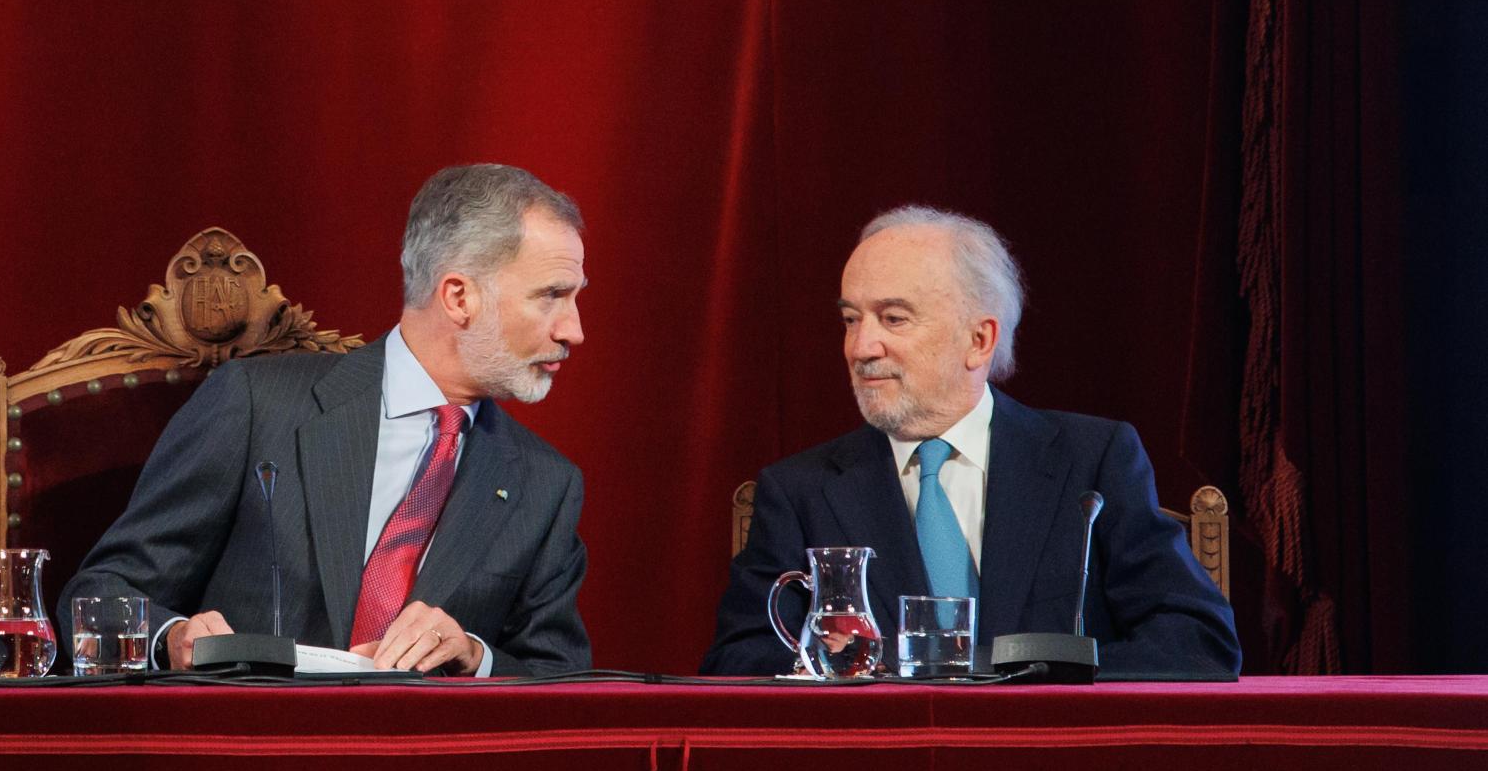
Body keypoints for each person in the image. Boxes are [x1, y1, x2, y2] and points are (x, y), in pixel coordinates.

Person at [60, 164, 591, 676]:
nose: (574, 330)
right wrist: (173, 639)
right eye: (552, 296)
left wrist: (475, 656)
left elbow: (560, 680)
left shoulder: (545, 484)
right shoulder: (256, 405)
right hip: (251, 750)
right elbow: (100, 594)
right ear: (459, 297)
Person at [701, 205, 1240, 677]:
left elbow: (1197, 641)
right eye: (850, 319)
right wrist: (854, 667)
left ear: (979, 340)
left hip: (1056, 770)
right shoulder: (800, 491)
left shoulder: (1091, 462)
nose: (862, 346)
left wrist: (1043, 673)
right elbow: (740, 660)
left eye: (893, 318)